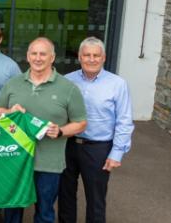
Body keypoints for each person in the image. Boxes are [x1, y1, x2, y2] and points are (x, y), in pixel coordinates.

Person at [0, 37, 88, 223]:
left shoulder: (68, 88)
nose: (38, 58)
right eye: (34, 53)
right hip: (15, 161)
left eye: (43, 54)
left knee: (44, 212)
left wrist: (60, 131)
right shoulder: (13, 84)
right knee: (12, 211)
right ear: (28, 56)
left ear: (52, 57)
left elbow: (81, 122)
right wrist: (9, 112)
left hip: (48, 163)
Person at [58, 37, 134, 223]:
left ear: (104, 57)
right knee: (65, 196)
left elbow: (124, 121)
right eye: (87, 55)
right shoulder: (67, 81)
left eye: (96, 55)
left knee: (96, 200)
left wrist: (117, 153)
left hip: (98, 149)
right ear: (79, 57)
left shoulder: (117, 84)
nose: (91, 59)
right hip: (67, 145)